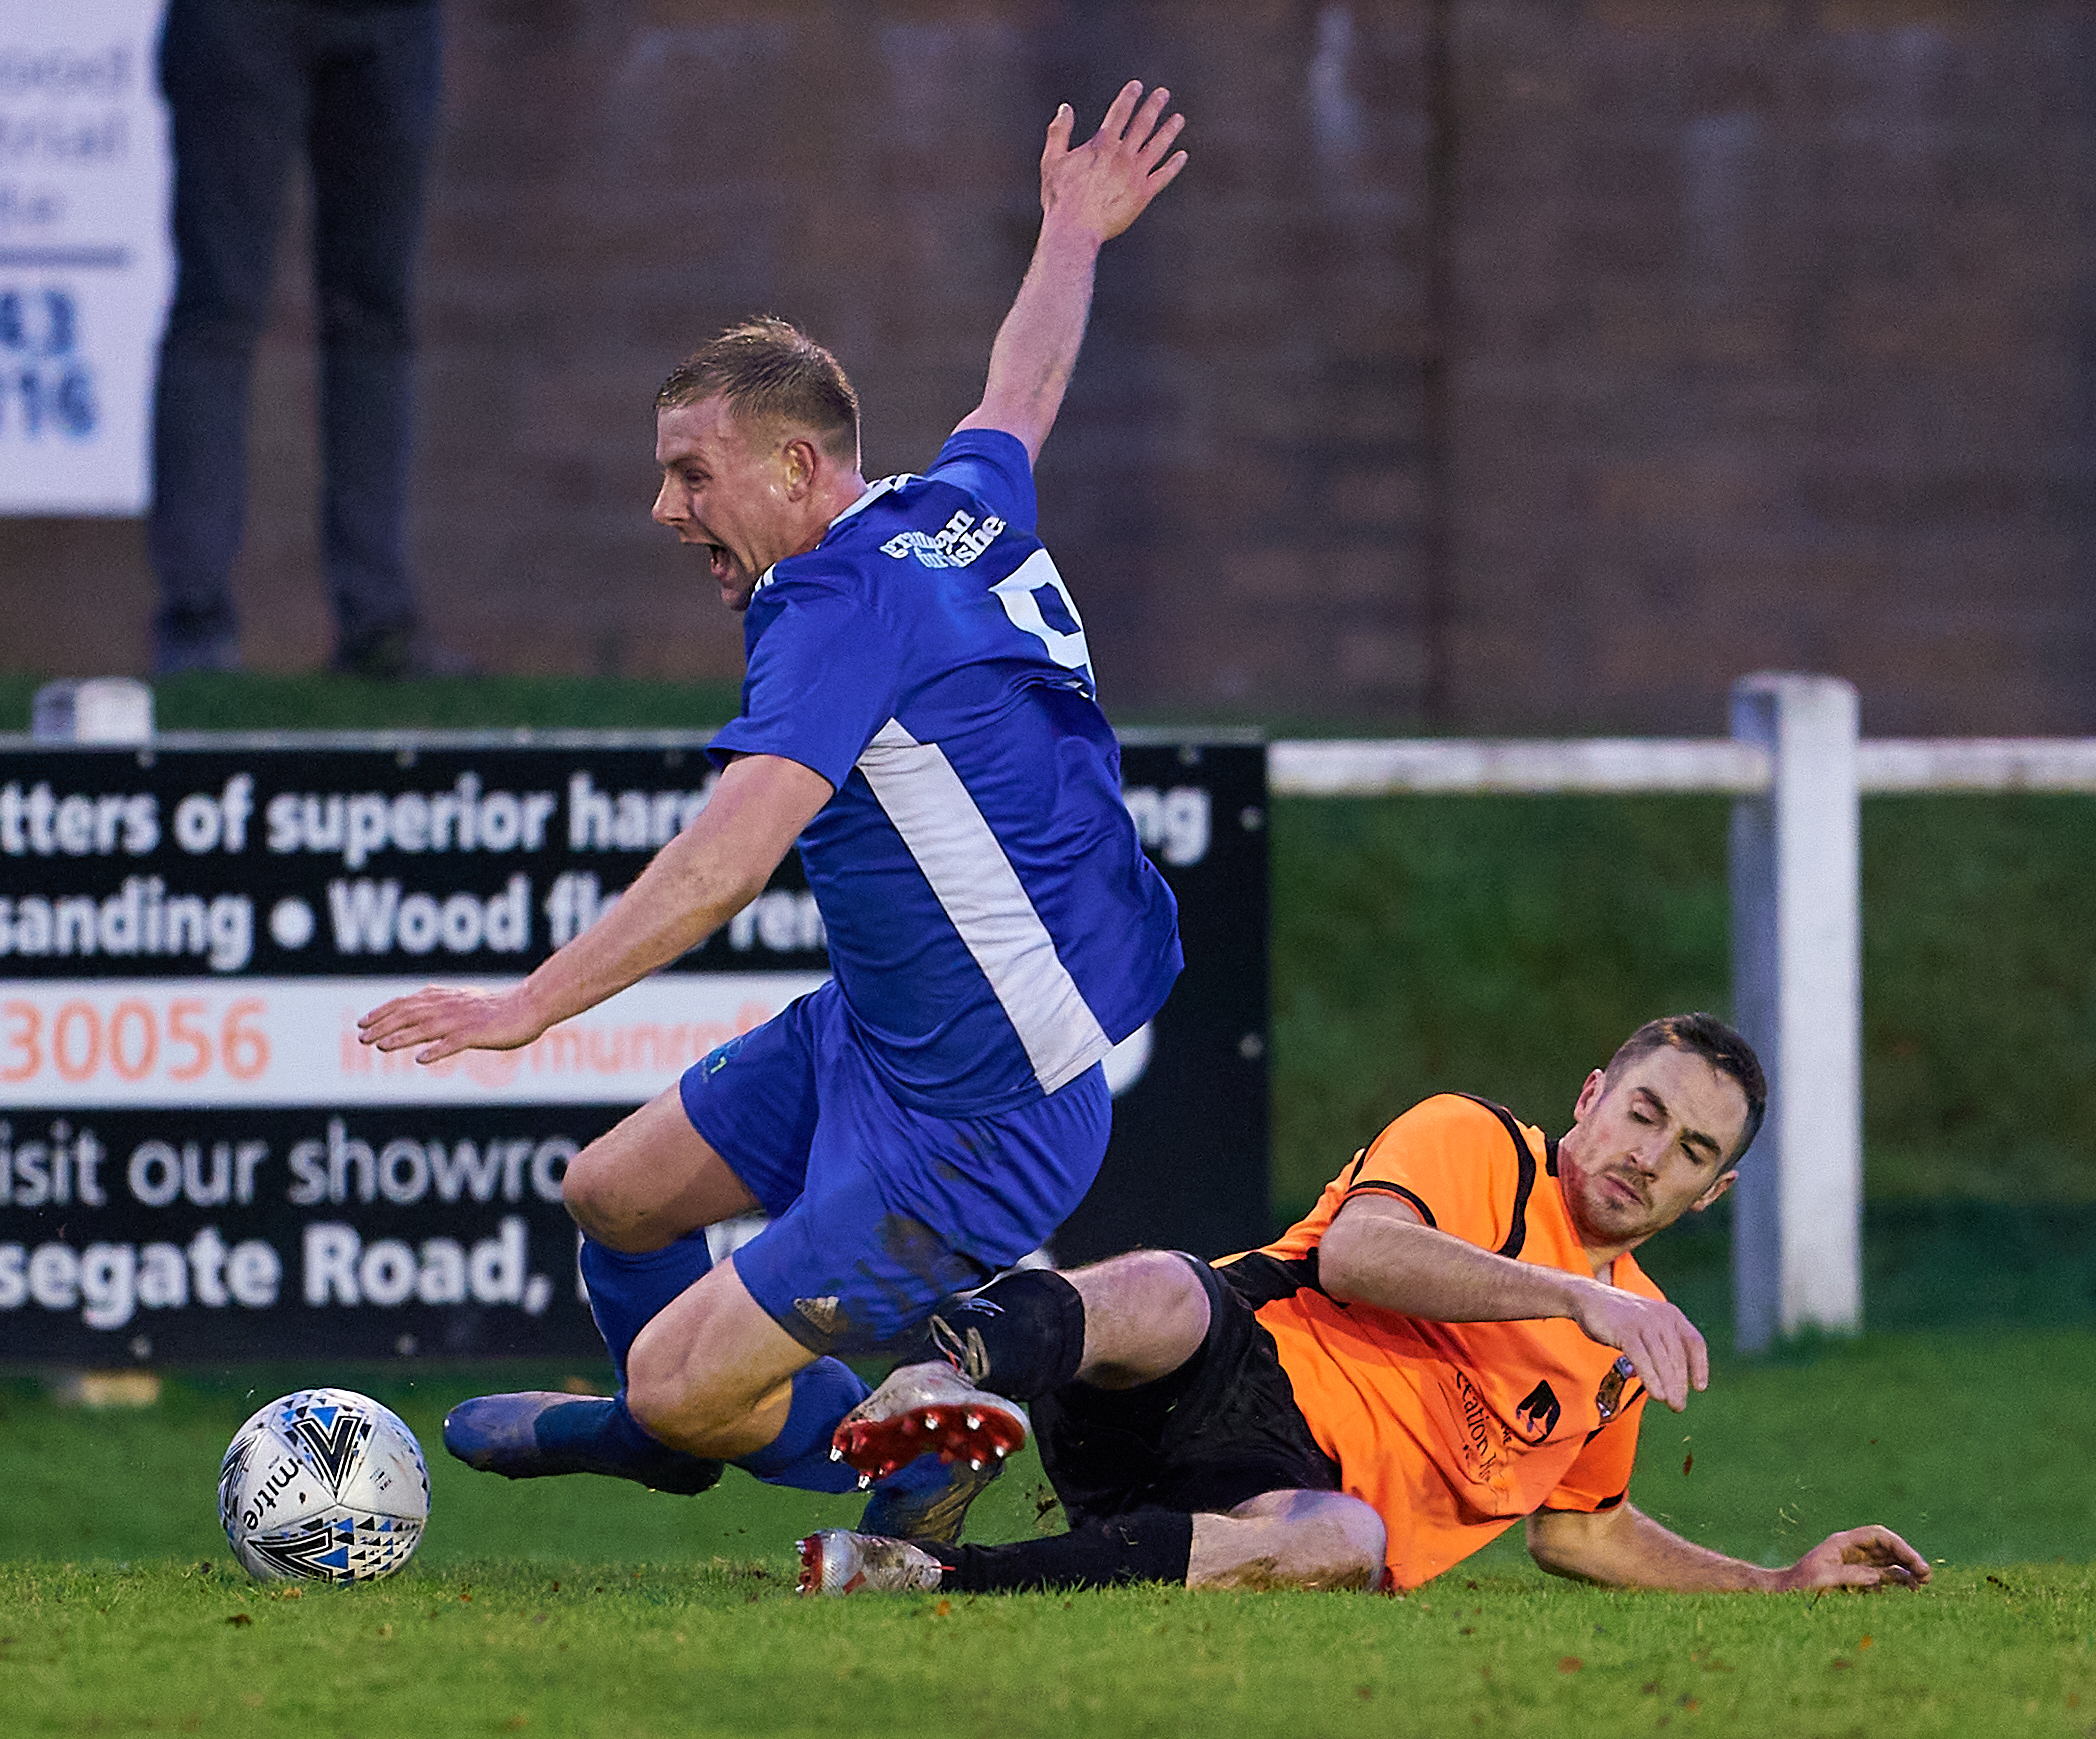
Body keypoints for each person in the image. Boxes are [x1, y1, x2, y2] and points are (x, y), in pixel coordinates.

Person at [358, 83, 1191, 1541]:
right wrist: (1072, 229)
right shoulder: (950, 505)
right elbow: (1021, 391)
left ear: (800, 468)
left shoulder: (833, 598)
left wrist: (525, 1005)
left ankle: (828, 1445)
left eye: (693, 471)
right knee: (609, 1195)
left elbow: (722, 863)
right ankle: (709, 1426)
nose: (667, 508)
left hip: (982, 1116)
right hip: (883, 1027)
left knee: (679, 1384)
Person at [800, 1013, 1933, 1595]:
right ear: (1592, 1095)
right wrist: (1571, 1295)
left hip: (1269, 1490)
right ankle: (948, 1379)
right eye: (1642, 1111)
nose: (1649, 1154)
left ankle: (921, 1571)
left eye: (1689, 1149)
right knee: (1163, 1284)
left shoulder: (1624, 1345)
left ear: (1710, 1191)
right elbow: (1356, 1253)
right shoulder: (1482, 1140)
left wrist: (1775, 1579)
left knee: (1347, 1539)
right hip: (1228, 1360)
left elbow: (1581, 1528)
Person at [148, 0, 452, 678]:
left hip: (390, 22)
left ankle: (378, 626)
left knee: (374, 312)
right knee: (218, 305)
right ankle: (195, 628)